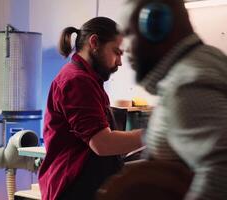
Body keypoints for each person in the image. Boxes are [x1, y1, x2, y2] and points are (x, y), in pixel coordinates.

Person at [118, 0, 227, 199]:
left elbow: (226, 175)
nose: (124, 48)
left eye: (129, 33)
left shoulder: (186, 82)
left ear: (156, 25)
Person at [38, 17, 143, 200]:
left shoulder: (89, 80)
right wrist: (155, 134)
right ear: (94, 42)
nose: (119, 62)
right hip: (73, 188)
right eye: (116, 52)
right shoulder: (77, 81)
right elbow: (102, 143)